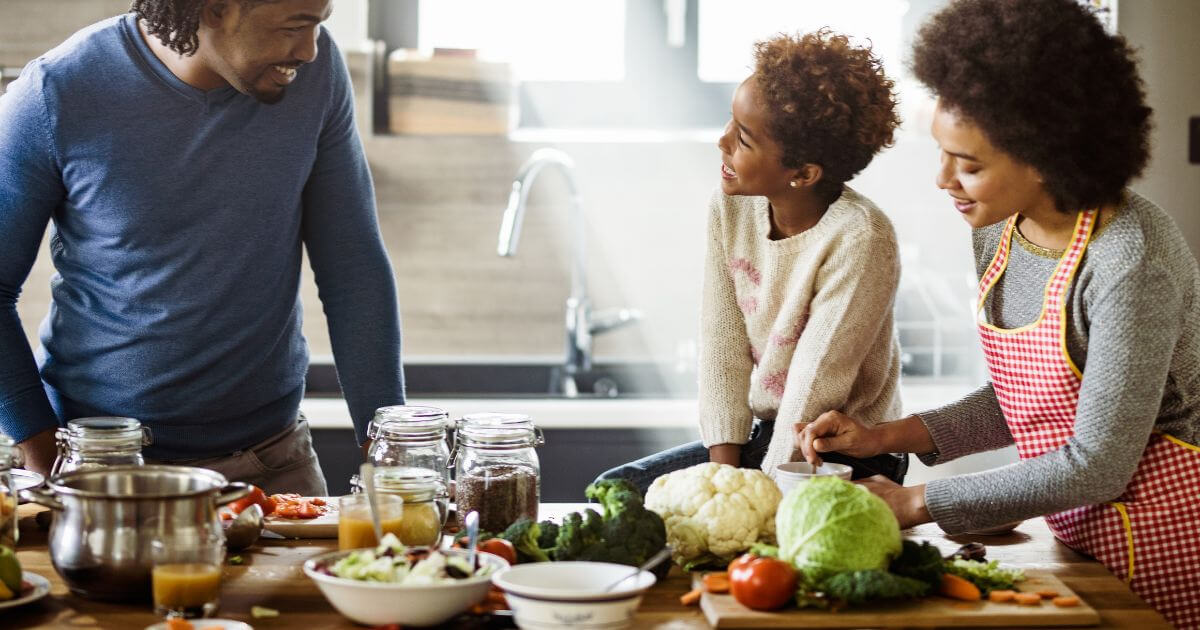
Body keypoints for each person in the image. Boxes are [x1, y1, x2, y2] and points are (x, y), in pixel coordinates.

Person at [795, 0, 1200, 626]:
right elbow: (1029, 399)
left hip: (1168, 548)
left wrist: (913, 503)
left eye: (970, 164)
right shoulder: (1000, 229)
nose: (943, 179)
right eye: (942, 153)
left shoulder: (1130, 263)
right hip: (1080, 537)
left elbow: (1096, 464)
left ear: (1046, 155)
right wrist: (884, 436)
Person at [0, 0, 405, 496]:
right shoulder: (56, 92)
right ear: (216, 9)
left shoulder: (317, 76)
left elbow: (354, 270)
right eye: (295, 28)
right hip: (102, 470)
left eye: (319, 25)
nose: (309, 49)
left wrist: (389, 451)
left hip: (274, 464)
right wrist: (45, 458)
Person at [597, 30, 907, 495]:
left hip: (842, 448)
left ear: (803, 173)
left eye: (743, 139)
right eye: (729, 123)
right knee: (619, 490)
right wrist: (724, 479)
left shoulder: (861, 238)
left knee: (764, 531)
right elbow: (723, 347)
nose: (722, 142)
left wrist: (756, 499)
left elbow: (813, 389)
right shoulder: (731, 208)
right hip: (766, 435)